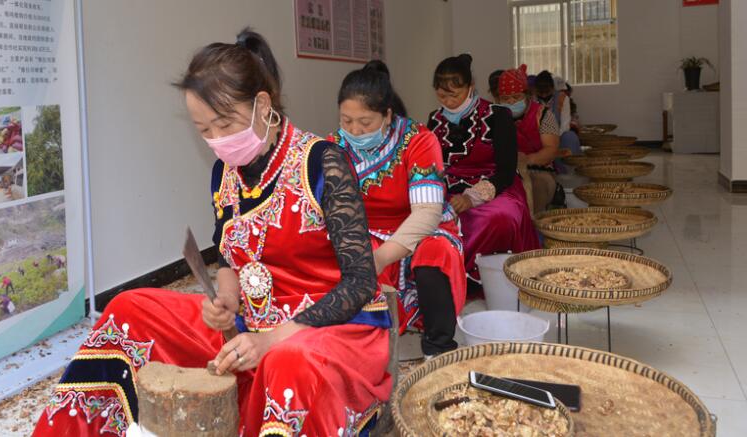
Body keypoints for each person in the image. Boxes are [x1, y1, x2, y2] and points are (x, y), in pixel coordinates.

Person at [32, 29, 390, 436]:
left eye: (225, 124)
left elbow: (361, 282)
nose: (217, 141)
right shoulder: (225, 172)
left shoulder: (323, 163)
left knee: (287, 364)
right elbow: (227, 255)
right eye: (204, 130)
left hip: (327, 330)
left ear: (262, 106)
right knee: (128, 310)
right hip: (249, 325)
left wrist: (272, 339)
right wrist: (226, 299)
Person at [330, 60, 466, 357]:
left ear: (388, 115)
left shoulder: (418, 141)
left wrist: (381, 257)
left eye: (365, 122)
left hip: (420, 225)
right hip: (366, 230)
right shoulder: (333, 147)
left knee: (436, 253)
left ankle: (438, 346)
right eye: (346, 121)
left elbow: (426, 213)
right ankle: (364, 347)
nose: (355, 130)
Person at [427, 54, 541, 287]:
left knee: (499, 217)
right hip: (450, 189)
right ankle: (443, 280)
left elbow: (506, 171)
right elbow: (433, 166)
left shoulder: (497, 116)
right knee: (432, 220)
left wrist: (472, 198)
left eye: (455, 95)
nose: (448, 102)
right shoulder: (435, 120)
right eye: (442, 95)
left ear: (470, 87)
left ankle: (481, 279)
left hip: (496, 186)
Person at [497, 65, 560, 214]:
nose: (511, 102)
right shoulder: (495, 116)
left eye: (516, 97)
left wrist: (527, 159)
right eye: (505, 99)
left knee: (535, 191)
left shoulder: (543, 115)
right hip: (506, 172)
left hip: (538, 170)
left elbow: (551, 150)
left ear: (527, 95)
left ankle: (533, 225)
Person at [535, 71, 581, 156]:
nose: (544, 96)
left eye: (547, 92)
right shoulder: (532, 100)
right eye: (541, 93)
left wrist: (552, 140)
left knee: (570, 137)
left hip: (558, 136)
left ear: (553, 88)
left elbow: (565, 125)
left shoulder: (562, 98)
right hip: (537, 139)